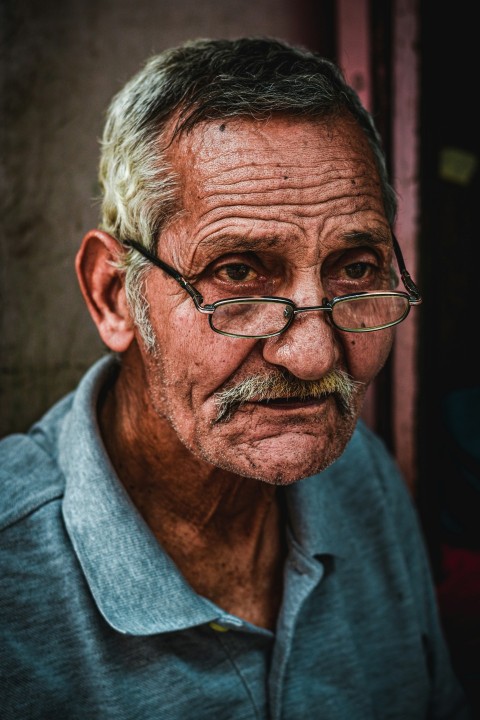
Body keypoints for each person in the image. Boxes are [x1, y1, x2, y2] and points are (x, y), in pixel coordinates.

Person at [0, 36, 472, 719]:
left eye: (357, 268)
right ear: (113, 295)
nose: (312, 358)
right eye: (240, 272)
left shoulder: (357, 472)